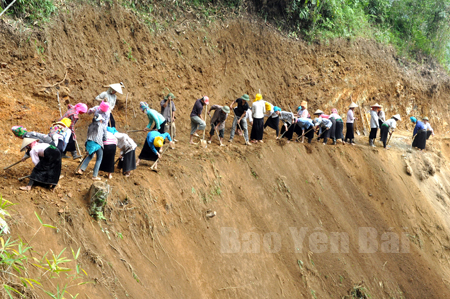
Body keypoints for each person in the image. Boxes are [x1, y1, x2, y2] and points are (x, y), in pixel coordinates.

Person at [76, 114, 107, 180]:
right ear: (100, 120)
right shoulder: (103, 126)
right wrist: (103, 139)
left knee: (90, 156)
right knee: (99, 159)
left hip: (89, 143)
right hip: (97, 143)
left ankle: (81, 170)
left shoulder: (90, 125)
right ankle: (94, 176)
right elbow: (105, 137)